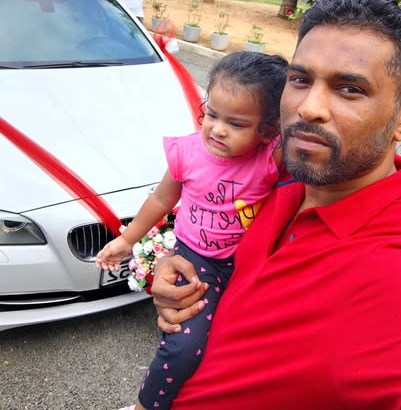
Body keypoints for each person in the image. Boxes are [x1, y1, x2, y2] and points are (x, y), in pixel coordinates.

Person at [151, 0, 401, 410]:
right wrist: (174, 267)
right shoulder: (281, 178)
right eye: (301, 80)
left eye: (350, 89)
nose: (309, 108)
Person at [96, 51, 289, 410]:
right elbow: (161, 199)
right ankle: (145, 405)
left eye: (236, 124)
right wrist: (126, 239)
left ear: (267, 130)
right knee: (184, 345)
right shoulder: (187, 152)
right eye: (212, 115)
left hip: (246, 266)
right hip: (196, 260)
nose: (217, 129)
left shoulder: (269, 156)